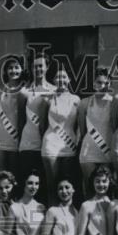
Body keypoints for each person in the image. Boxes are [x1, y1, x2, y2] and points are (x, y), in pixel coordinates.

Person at [40, 63, 81, 203]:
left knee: (67, 184)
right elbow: (42, 124)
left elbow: (78, 125)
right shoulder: (47, 99)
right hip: (50, 144)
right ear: (54, 80)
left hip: (68, 144)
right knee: (52, 185)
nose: (61, 79)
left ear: (69, 79)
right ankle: (52, 212)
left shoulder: (76, 99)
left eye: (64, 77)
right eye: (58, 77)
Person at [19, 53, 55, 186]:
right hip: (28, 143)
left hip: (48, 145)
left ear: (47, 67)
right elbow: (21, 120)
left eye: (41, 66)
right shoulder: (24, 91)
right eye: (35, 66)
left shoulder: (54, 90)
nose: (38, 69)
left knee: (45, 183)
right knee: (27, 182)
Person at [77, 66, 117, 185]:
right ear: (94, 83)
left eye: (106, 83)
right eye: (99, 82)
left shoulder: (114, 103)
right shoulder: (85, 103)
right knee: (90, 188)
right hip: (88, 151)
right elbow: (83, 130)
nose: (103, 86)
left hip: (107, 151)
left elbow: (115, 128)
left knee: (107, 189)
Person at [0, 56, 25, 175]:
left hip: (14, 137)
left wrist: (20, 140)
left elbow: (22, 119)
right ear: (5, 71)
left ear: (22, 69)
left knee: (12, 177)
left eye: (16, 67)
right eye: (10, 68)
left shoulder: (25, 91)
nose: (13, 71)